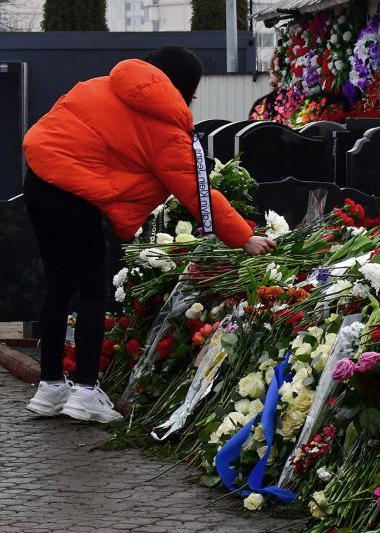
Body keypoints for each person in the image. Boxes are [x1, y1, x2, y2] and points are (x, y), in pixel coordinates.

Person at [21, 46, 276, 423]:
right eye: (194, 86)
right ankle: (86, 392)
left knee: (59, 285)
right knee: (94, 291)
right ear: (182, 84)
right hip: (74, 193)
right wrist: (243, 236)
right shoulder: (165, 124)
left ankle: (51, 387)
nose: (195, 96)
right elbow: (196, 189)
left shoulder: (100, 85)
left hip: (37, 178)